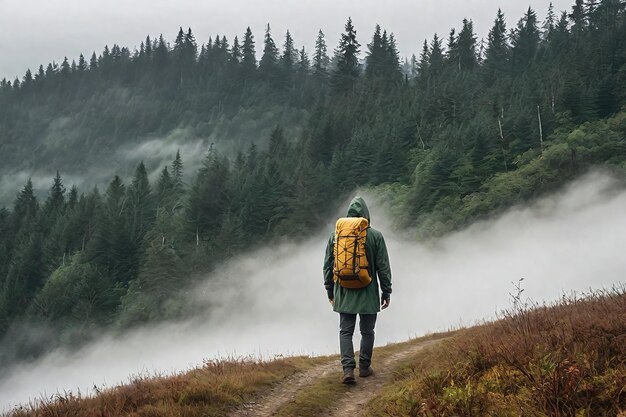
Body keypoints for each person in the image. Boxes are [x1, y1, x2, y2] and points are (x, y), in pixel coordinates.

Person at [323, 196, 392, 384]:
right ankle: (364, 367)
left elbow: (328, 266)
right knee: (367, 331)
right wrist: (387, 291)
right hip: (368, 291)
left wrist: (330, 290)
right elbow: (383, 267)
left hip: (343, 291)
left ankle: (347, 370)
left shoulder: (336, 235)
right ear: (366, 215)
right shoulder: (375, 235)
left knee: (346, 331)